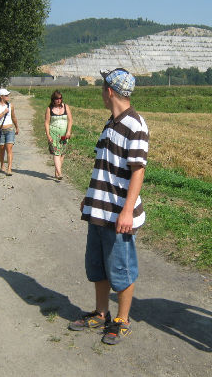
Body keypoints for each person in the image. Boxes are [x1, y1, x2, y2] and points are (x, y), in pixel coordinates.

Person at [68, 68, 149, 345]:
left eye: (103, 88)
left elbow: (138, 171)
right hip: (99, 209)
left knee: (121, 268)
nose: (101, 93)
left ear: (110, 91)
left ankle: (122, 320)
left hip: (118, 213)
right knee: (98, 266)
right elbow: (103, 165)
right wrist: (89, 196)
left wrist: (127, 210)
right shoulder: (111, 122)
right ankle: (101, 313)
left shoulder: (135, 124)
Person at [44, 90, 73, 180]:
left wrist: (68, 132)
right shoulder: (49, 109)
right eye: (57, 98)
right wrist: (48, 135)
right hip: (53, 134)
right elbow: (47, 123)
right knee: (56, 153)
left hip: (64, 135)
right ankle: (60, 173)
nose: (59, 100)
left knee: (62, 154)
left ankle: (57, 171)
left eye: (60, 98)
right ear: (53, 99)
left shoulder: (66, 107)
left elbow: (70, 120)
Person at [0, 88, 19, 175]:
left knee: (9, 149)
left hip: (10, 129)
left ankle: (9, 168)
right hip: (1, 130)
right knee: (2, 149)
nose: (8, 97)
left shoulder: (11, 106)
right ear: (1, 96)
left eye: (8, 95)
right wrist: (3, 112)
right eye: (6, 95)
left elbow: (13, 117)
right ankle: (2, 164)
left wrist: (17, 127)